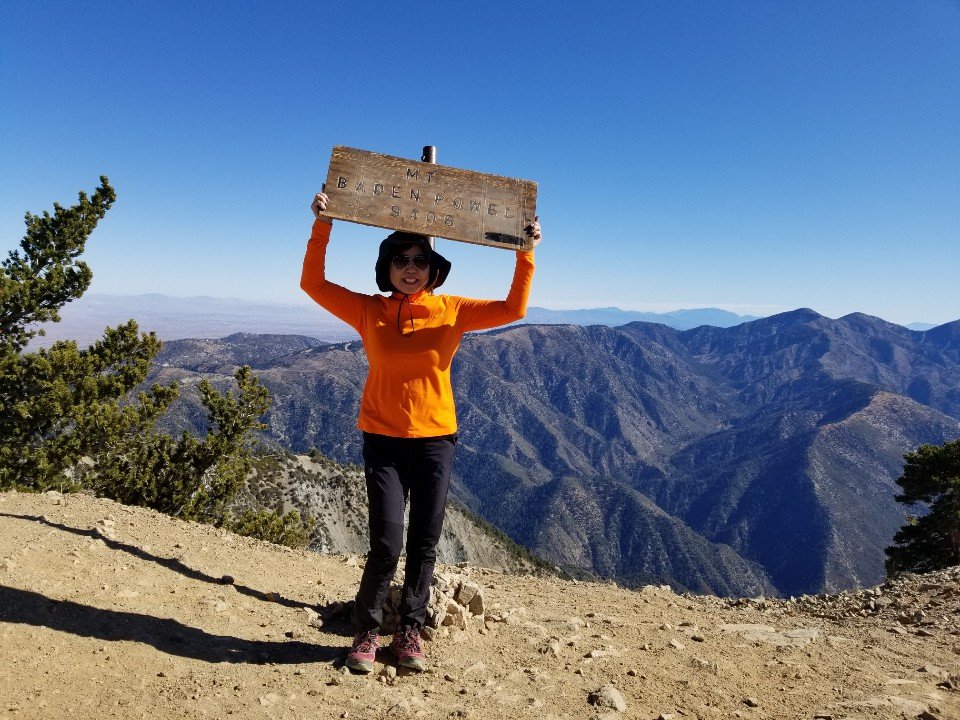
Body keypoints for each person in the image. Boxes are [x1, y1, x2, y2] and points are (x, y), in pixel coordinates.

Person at [300, 188, 541, 673]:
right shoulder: (369, 310)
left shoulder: (453, 309)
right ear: (387, 267)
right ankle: (367, 632)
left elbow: (513, 309)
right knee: (386, 543)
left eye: (420, 260)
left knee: (424, 543)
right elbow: (313, 283)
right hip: (383, 441)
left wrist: (526, 251)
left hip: (435, 440)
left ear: (433, 268)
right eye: (401, 259)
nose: (410, 268)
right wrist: (322, 223)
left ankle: (410, 630)